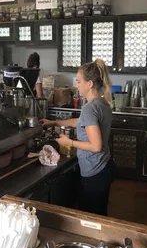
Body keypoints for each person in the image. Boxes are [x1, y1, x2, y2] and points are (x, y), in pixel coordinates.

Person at [41, 59, 115, 216]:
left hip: (95, 170)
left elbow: (96, 146)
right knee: (99, 214)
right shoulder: (102, 103)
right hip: (104, 166)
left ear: (89, 84)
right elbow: (80, 122)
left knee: (91, 218)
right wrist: (53, 122)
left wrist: (70, 142)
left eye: (79, 81)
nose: (76, 85)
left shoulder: (90, 108)